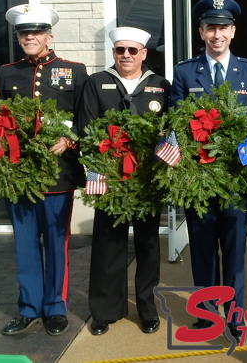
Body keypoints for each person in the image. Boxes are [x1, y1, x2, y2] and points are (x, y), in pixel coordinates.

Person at [169, 0, 247, 341]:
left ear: (233, 31)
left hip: (236, 177)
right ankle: (207, 315)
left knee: (235, 250)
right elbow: (177, 122)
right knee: (203, 248)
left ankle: (236, 316)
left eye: (223, 27)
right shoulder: (184, 71)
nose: (217, 34)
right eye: (211, 28)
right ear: (201, 31)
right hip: (198, 176)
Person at [0, 4, 88, 336]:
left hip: (58, 174)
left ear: (50, 35)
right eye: (23, 33)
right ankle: (29, 307)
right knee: (24, 244)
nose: (29, 37)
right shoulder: (7, 72)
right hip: (19, 173)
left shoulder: (74, 71)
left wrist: (68, 139)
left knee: (56, 241)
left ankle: (55, 307)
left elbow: (84, 117)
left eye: (36, 32)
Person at [77, 27, 170, 336]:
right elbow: (86, 131)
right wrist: (96, 173)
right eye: (120, 50)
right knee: (107, 245)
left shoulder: (160, 86)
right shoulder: (96, 83)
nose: (126, 55)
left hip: (146, 179)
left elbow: (169, 133)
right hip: (109, 178)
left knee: (147, 245)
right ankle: (104, 309)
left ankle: (147, 308)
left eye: (132, 50)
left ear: (144, 54)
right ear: (113, 52)